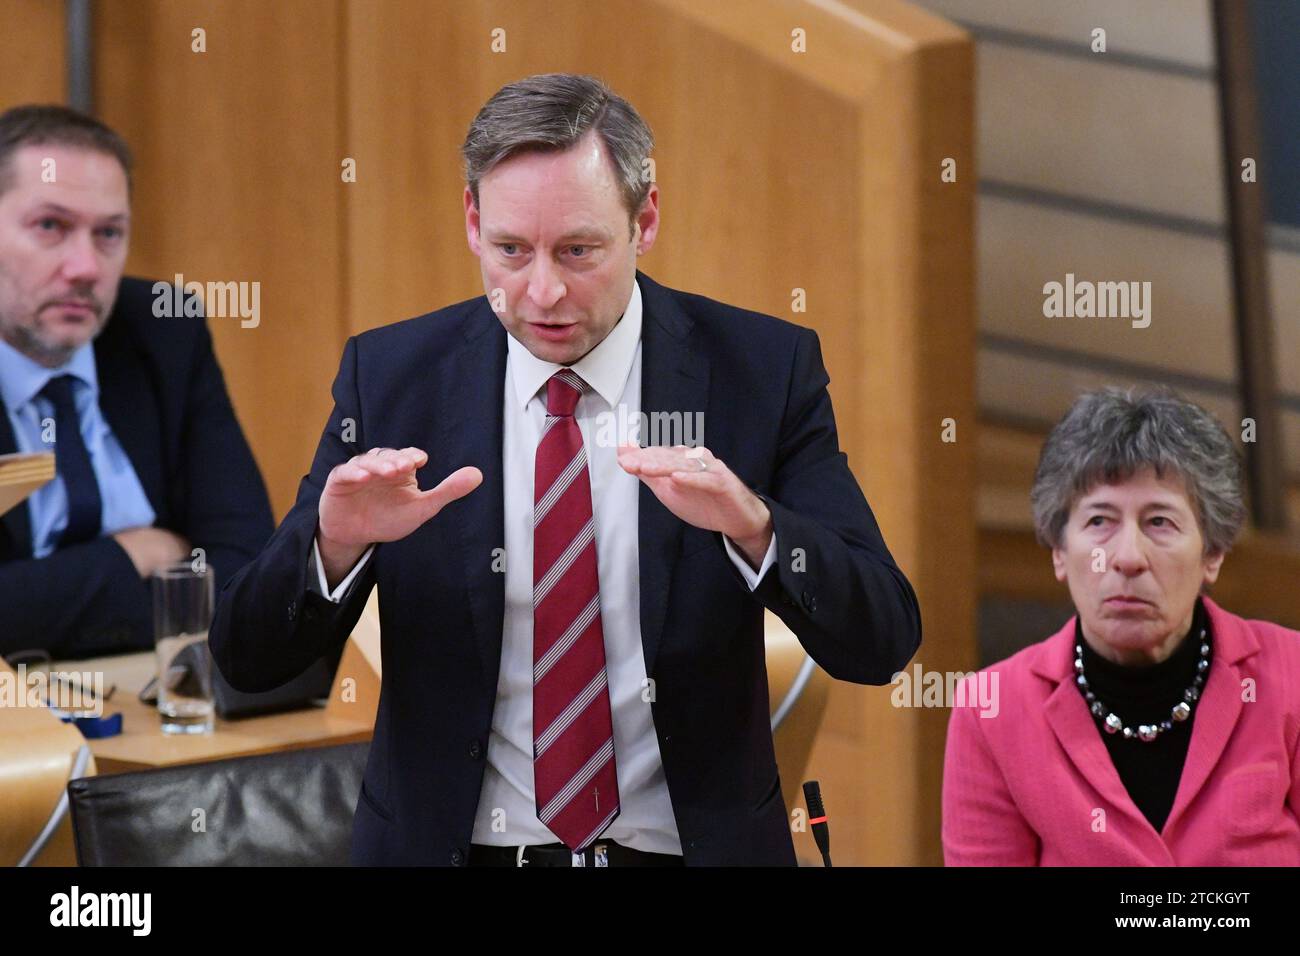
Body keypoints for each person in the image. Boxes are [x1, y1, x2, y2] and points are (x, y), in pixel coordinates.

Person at [210, 73, 921, 867]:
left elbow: (882, 638)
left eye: (579, 250)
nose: (542, 293)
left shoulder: (760, 372)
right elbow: (248, 661)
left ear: (645, 220)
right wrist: (330, 549)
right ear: (473, 223)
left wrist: (756, 529)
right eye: (511, 250)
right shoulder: (394, 378)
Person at [943, 386, 1300, 865]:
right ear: (1058, 553)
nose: (1128, 558)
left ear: (1212, 553)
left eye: (1159, 522)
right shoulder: (991, 711)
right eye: (1099, 521)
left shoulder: (1290, 675)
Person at [0, 105, 273, 659]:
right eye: (50, 226)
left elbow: (246, 573)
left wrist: (41, 603)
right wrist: (132, 556)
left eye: (108, 234)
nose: (85, 268)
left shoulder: (163, 330)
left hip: (153, 704)